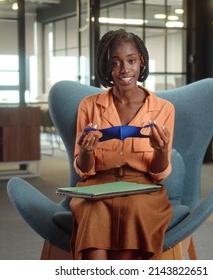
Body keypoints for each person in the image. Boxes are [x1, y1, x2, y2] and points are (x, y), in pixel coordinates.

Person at [70, 29, 174, 260]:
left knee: (134, 215)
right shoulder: (89, 106)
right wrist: (86, 152)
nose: (124, 70)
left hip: (143, 189)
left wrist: (161, 150)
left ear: (141, 62)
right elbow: (84, 170)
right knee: (93, 216)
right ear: (107, 67)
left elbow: (158, 174)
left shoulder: (164, 109)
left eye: (131, 61)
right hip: (98, 186)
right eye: (115, 63)